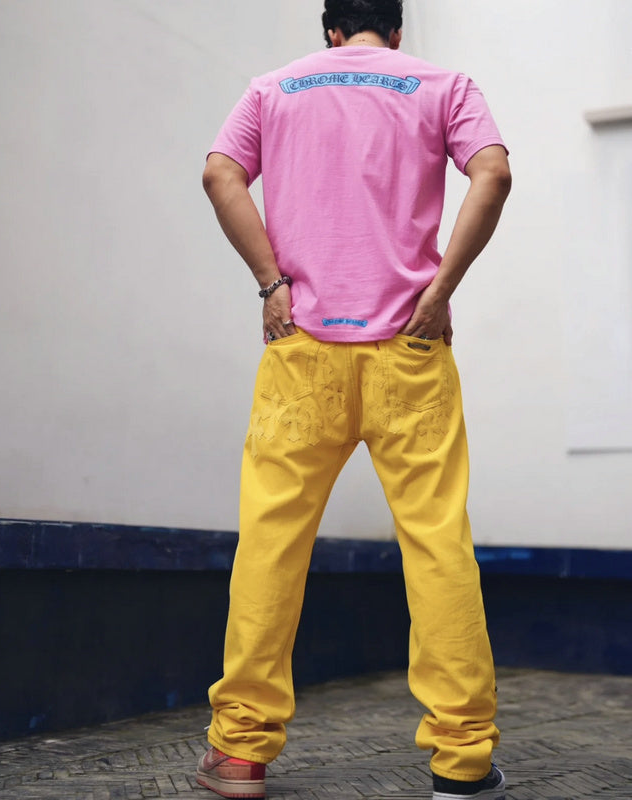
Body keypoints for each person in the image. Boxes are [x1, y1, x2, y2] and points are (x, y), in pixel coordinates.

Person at [199, 1, 511, 798]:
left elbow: (219, 174)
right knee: (436, 545)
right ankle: (461, 762)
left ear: (331, 30)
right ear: (396, 31)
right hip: (411, 348)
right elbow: (493, 173)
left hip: (302, 349)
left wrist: (270, 282)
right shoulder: (444, 85)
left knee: (271, 545)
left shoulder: (271, 89)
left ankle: (239, 753)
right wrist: (439, 290)